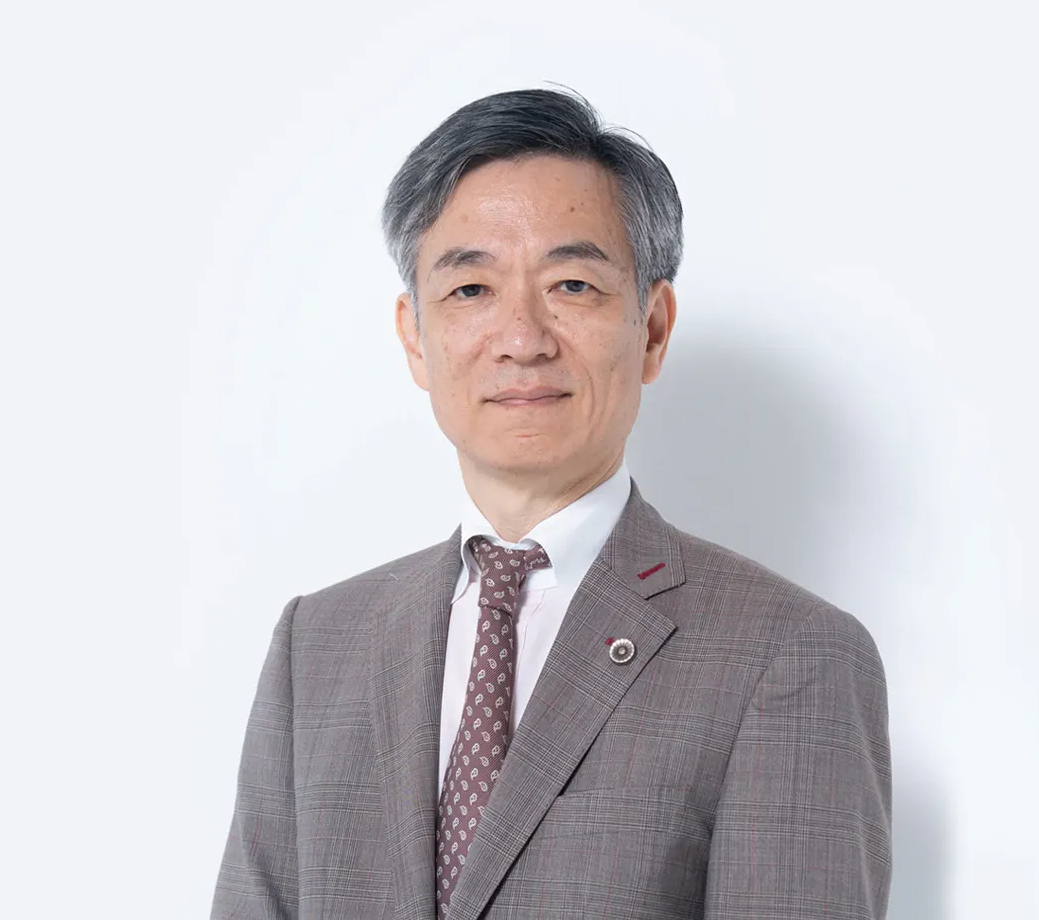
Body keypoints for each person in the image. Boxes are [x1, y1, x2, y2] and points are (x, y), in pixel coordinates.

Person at [212, 88, 892, 920]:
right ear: (414, 337)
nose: (522, 339)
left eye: (572, 284)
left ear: (652, 328)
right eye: (471, 290)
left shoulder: (787, 654)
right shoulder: (317, 647)